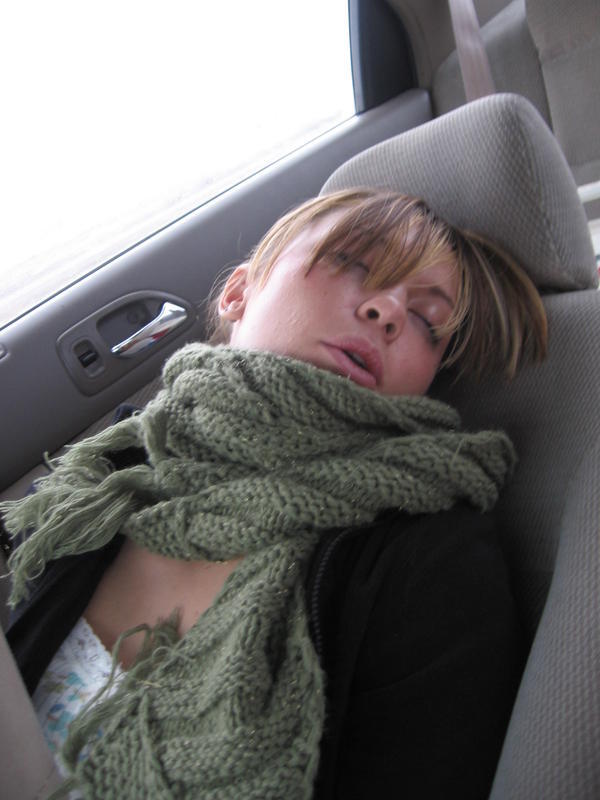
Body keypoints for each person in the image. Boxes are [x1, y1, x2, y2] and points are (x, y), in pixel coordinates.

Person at [1, 188, 547, 799]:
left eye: (428, 322)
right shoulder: (112, 473)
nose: (390, 311)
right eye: (352, 262)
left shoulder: (429, 561)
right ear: (238, 293)